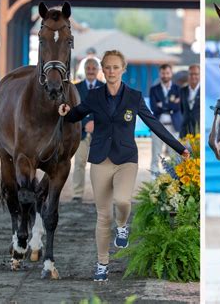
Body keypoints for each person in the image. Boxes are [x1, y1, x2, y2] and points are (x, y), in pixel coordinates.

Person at [58, 50, 190, 282]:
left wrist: (180, 148)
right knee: (102, 216)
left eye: (115, 67)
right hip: (100, 159)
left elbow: (154, 124)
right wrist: (64, 112)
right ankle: (102, 264)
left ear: (123, 69)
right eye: (107, 67)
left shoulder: (134, 97)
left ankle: (122, 225)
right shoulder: (95, 96)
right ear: (103, 69)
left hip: (126, 159)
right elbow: (76, 114)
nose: (110, 71)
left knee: (122, 201)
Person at [72, 58, 104, 202]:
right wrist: (86, 123)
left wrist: (95, 123)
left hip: (100, 133)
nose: (91, 71)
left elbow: (108, 110)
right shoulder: (76, 88)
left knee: (99, 166)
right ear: (84, 70)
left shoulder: (105, 88)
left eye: (93, 68)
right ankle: (77, 193)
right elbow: (74, 110)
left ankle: (100, 194)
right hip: (82, 133)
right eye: (88, 68)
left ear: (98, 70)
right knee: (79, 163)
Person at [149, 64, 182, 176]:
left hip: (173, 126)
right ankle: (154, 174)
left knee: (174, 153)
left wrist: (162, 104)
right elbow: (154, 108)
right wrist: (171, 104)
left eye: (167, 73)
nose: (165, 75)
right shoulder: (154, 89)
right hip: (158, 126)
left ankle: (175, 175)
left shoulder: (178, 89)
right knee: (156, 152)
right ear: (160, 74)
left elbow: (178, 107)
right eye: (163, 73)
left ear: (171, 73)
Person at [179, 64, 200, 138]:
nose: (193, 76)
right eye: (191, 74)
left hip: (199, 132)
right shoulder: (182, 91)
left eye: (196, 74)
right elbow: (181, 110)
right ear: (188, 75)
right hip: (185, 131)